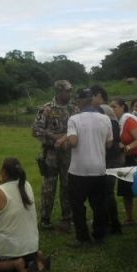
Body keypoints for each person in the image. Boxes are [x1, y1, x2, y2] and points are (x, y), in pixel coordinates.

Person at [56, 88, 113, 246]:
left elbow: (73, 142)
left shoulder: (74, 119)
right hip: (99, 169)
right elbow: (109, 143)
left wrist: (64, 143)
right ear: (92, 100)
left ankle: (83, 238)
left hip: (79, 170)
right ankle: (99, 235)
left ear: (80, 101)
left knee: (78, 205)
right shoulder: (105, 119)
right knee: (98, 204)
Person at [0, 157, 51, 272]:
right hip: (31, 245)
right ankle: (36, 258)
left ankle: (14, 264)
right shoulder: (26, 185)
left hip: (8, 247)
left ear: (4, 172)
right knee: (24, 251)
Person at [32, 80, 79, 230]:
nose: (70, 93)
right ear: (59, 91)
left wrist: (66, 139)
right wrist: (55, 138)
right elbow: (36, 130)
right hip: (51, 153)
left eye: (70, 90)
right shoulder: (46, 109)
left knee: (68, 185)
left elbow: (79, 128)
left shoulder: (74, 108)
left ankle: (67, 217)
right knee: (49, 186)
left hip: (69, 153)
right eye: (67, 91)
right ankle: (45, 219)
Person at [109, 98, 137, 228]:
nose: (112, 109)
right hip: (125, 159)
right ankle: (130, 218)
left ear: (123, 107)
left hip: (136, 157)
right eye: (111, 107)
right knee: (125, 190)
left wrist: (126, 148)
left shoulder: (129, 120)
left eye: (114, 106)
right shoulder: (117, 122)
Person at [90, 84, 123, 234]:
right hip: (107, 156)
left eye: (91, 96)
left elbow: (114, 134)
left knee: (107, 191)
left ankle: (114, 224)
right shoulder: (102, 110)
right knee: (104, 191)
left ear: (98, 95)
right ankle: (107, 222)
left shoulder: (104, 109)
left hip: (111, 157)